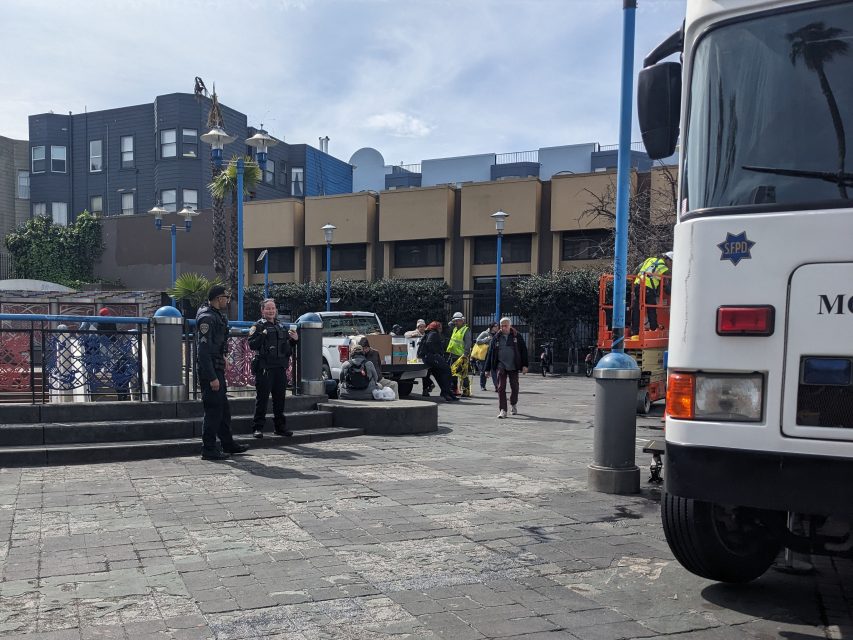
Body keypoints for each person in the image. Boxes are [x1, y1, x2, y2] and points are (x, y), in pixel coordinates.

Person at [196, 286, 249, 460]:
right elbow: (203, 352)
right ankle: (208, 448)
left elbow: (219, 343)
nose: (227, 300)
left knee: (223, 409)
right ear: (219, 299)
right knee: (213, 410)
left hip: (217, 366)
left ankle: (228, 444)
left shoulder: (217, 316)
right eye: (226, 297)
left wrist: (224, 356)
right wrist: (211, 377)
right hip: (209, 370)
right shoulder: (207, 318)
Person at [248, 298, 298, 439]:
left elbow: (287, 349)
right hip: (264, 368)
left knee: (279, 399)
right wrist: (263, 335)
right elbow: (252, 345)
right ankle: (257, 428)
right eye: (268, 308)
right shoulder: (257, 326)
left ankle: (280, 427)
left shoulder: (281, 326)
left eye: (273, 308)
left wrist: (294, 340)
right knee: (262, 399)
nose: (271, 311)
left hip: (279, 368)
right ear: (262, 311)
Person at [485, 317, 529, 419]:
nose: (504, 328)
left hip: (514, 365)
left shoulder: (517, 336)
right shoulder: (496, 337)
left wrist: (525, 365)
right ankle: (503, 410)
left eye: (506, 325)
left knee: (515, 387)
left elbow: (524, 351)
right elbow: (490, 354)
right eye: (502, 326)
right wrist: (487, 370)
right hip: (501, 365)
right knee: (501, 387)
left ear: (510, 325)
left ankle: (513, 404)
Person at [630, 251, 673, 337]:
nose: (671, 265)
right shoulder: (664, 268)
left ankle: (635, 331)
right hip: (648, 288)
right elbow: (669, 283)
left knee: (636, 308)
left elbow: (635, 271)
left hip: (638, 285)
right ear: (667, 260)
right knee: (651, 308)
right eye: (671, 262)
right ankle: (653, 328)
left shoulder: (650, 259)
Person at [419, 321, 458, 402]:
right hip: (432, 357)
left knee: (439, 373)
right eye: (439, 327)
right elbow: (430, 343)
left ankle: (446, 392)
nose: (441, 329)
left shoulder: (429, 333)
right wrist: (437, 353)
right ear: (436, 328)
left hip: (428, 358)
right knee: (447, 371)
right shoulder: (433, 333)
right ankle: (446, 392)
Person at [445, 312, 471, 395]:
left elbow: (468, 343)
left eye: (458, 321)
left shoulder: (466, 330)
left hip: (461, 355)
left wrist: (465, 354)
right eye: (455, 321)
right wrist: (452, 322)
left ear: (462, 320)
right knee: (453, 374)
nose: (456, 322)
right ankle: (454, 389)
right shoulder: (455, 328)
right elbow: (449, 324)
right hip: (453, 355)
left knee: (463, 374)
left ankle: (466, 390)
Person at [474, 322, 499, 391]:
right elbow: (477, 341)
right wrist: (486, 339)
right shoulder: (485, 333)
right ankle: (483, 386)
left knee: (494, 371)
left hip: (493, 355)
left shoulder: (497, 334)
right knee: (483, 371)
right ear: (491, 327)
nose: (497, 327)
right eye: (495, 326)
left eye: (497, 326)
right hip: (484, 355)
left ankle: (497, 386)